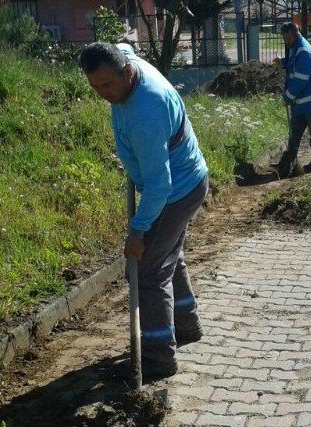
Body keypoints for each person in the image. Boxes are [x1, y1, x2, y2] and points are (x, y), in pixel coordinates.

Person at [80, 42, 208, 378]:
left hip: (174, 192)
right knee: (167, 256)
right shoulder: (125, 61)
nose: (102, 94)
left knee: (150, 271)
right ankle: (187, 325)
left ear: (126, 71)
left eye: (108, 85)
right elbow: (123, 44)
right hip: (186, 180)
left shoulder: (144, 113)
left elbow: (159, 186)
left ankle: (158, 357)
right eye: (95, 87)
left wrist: (138, 231)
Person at [274, 22, 311, 176]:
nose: (286, 42)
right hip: (299, 103)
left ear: (296, 34)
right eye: (284, 39)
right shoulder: (295, 48)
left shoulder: (303, 51)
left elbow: (300, 80)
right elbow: (293, 64)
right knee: (294, 133)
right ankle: (290, 161)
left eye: (288, 38)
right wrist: (283, 62)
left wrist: (287, 97)